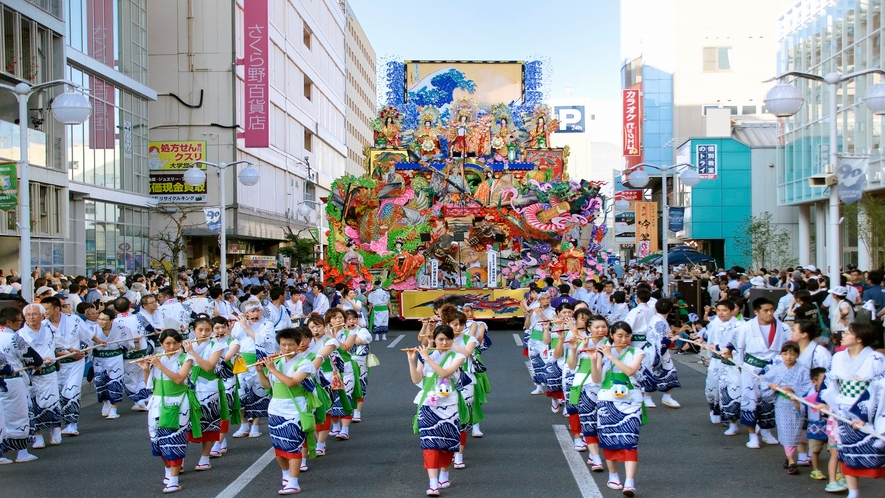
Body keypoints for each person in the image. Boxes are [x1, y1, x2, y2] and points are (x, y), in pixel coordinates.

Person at [819, 321, 885, 495]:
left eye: (847, 332)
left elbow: (879, 389)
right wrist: (824, 401)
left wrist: (864, 414)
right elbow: (829, 381)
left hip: (869, 411)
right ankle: (853, 491)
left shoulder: (876, 359)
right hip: (842, 409)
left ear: (859, 338)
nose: (842, 335)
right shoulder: (837, 357)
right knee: (846, 453)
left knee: (878, 455)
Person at [255, 327, 319, 495]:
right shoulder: (277, 362)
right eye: (283, 345)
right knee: (279, 446)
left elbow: (291, 382)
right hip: (276, 408)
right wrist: (260, 371)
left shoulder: (304, 363)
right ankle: (285, 474)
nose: (287, 348)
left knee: (293, 446)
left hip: (295, 409)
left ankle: (294, 481)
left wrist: (272, 369)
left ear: (298, 345)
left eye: (291, 345)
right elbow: (268, 386)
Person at [407, 325, 467, 497]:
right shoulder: (425, 356)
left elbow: (444, 372)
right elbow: (416, 379)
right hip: (427, 405)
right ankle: (433, 484)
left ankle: (444, 474)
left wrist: (426, 358)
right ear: (433, 339)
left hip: (449, 406)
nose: (444, 342)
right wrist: (412, 361)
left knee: (447, 444)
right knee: (429, 444)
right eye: (440, 339)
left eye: (448, 339)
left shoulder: (458, 356)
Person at [590, 321, 645, 496]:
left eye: (627, 336)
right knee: (608, 439)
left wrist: (611, 356)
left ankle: (629, 481)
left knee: (630, 440)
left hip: (630, 400)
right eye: (620, 336)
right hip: (607, 398)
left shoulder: (637, 351)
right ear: (612, 335)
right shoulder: (602, 351)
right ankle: (613, 475)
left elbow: (630, 371)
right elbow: (597, 378)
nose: (624, 339)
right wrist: (594, 359)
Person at [138, 329, 195, 494]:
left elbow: (179, 379)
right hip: (157, 403)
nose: (171, 346)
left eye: (175, 343)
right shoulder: (157, 358)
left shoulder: (186, 358)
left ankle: (174, 480)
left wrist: (158, 365)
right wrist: (146, 369)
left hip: (178, 404)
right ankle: (168, 471)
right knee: (157, 440)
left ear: (180, 343)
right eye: (167, 343)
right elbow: (150, 385)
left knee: (173, 439)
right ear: (161, 344)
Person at [42, 296, 102, 436]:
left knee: (71, 392)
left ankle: (71, 424)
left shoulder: (73, 319)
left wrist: (100, 341)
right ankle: (55, 426)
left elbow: (88, 333)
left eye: (46, 309)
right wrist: (66, 353)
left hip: (75, 362)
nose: (44, 312)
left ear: (57, 308)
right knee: (55, 395)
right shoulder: (43, 324)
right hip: (55, 364)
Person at [761, 341, 812, 475]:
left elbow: (808, 386)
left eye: (792, 354)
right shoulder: (776, 368)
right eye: (785, 354)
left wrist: (793, 389)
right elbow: (764, 381)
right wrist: (771, 385)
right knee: (785, 429)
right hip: (782, 403)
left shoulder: (803, 370)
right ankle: (792, 461)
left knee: (795, 431)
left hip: (796, 403)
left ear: (797, 355)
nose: (788, 357)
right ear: (781, 355)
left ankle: (789, 455)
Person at [183, 316, 227, 472]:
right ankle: (179, 459)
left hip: (209, 387)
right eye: (200, 330)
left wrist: (192, 353)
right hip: (189, 385)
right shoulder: (186, 345)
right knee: (184, 422)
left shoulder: (216, 345)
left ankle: (205, 458)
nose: (204, 333)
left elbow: (208, 366)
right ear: (194, 330)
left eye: (208, 330)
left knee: (209, 422)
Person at [0, 307, 43, 463]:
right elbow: (34, 359)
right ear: (9, 321)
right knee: (18, 414)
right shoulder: (13, 338)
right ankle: (22, 452)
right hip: (12, 380)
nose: (21, 323)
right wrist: (35, 364)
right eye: (19, 320)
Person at [564, 311, 605, 471]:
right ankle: (596, 457)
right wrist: (574, 349)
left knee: (601, 424)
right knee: (587, 421)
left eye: (603, 326)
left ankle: (594, 451)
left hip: (603, 387)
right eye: (597, 327)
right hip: (583, 385)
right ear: (589, 328)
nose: (600, 330)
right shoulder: (583, 342)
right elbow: (572, 365)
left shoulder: (610, 343)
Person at [19, 303, 62, 449]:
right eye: (28, 315)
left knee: (52, 400)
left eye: (35, 314)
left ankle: (55, 428)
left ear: (42, 316)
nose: (31, 317)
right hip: (32, 374)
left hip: (49, 373)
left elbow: (58, 344)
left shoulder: (49, 328)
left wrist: (69, 349)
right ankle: (37, 434)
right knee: (33, 404)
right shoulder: (20, 334)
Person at [230, 302, 275, 438]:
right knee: (241, 394)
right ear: (246, 313)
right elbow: (235, 339)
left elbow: (263, 340)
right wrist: (239, 324)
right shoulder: (240, 324)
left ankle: (255, 425)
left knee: (259, 393)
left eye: (258, 310)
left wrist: (246, 327)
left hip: (258, 360)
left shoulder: (267, 324)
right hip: (242, 361)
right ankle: (244, 424)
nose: (256, 313)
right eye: (252, 311)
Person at [94, 309, 125, 420]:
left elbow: (129, 343)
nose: (100, 322)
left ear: (111, 320)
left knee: (115, 381)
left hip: (115, 357)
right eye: (99, 319)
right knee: (100, 382)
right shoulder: (93, 328)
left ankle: (114, 408)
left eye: (104, 319)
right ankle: (106, 402)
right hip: (99, 358)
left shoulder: (121, 327)